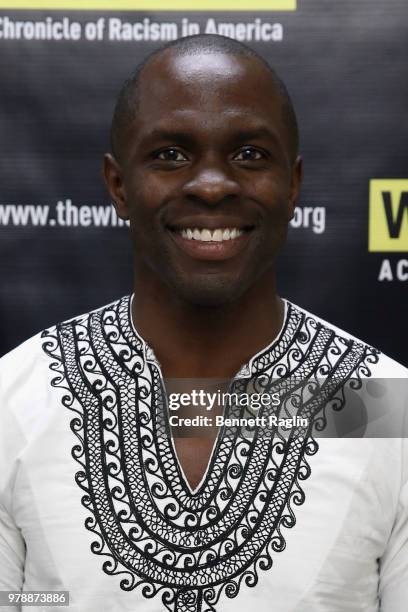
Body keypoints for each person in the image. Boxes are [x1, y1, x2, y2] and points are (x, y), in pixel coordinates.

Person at [0, 34, 407, 612]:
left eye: (249, 155)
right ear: (118, 186)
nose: (212, 185)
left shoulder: (386, 407)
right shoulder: (15, 401)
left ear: (293, 185)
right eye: (170, 154)